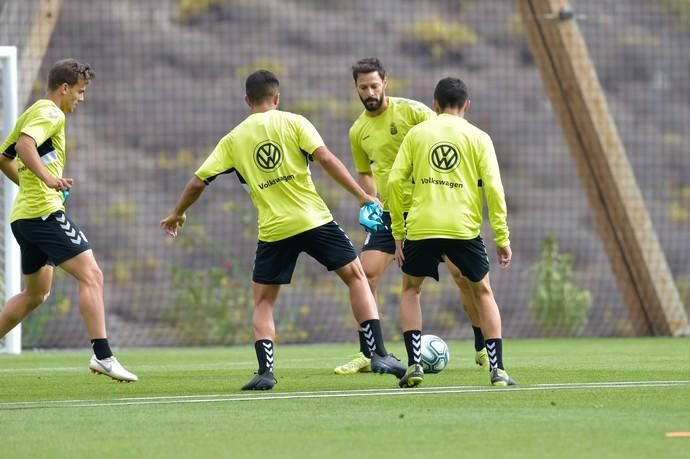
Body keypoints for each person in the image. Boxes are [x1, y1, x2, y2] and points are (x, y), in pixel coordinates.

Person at [160, 69, 406, 390]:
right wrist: (362, 195)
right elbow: (327, 159)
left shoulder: (233, 139)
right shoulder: (295, 122)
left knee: (263, 302)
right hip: (314, 220)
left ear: (247, 100)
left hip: (274, 230)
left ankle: (266, 371)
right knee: (357, 278)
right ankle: (379, 354)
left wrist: (177, 213)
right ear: (277, 97)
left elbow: (198, 181)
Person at [334, 58, 489, 375]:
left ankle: (481, 347)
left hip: (429, 209)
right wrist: (371, 201)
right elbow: (366, 172)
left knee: (464, 279)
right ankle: (371, 353)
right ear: (356, 89)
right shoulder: (357, 131)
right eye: (363, 87)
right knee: (364, 275)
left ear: (385, 82)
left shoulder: (415, 112)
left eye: (374, 85)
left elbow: (444, 140)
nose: (369, 91)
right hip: (392, 214)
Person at [0, 59, 137, 382]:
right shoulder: (50, 112)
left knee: (36, 294)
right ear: (64, 89)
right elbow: (23, 146)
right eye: (80, 91)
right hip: (44, 214)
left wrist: (33, 184)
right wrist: (47, 180)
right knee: (92, 275)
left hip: (25, 217)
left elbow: (4, 158)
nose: (81, 98)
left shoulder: (33, 111)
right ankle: (103, 356)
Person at [388, 76, 516, 388]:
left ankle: (414, 365)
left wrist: (398, 230)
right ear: (466, 105)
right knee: (483, 292)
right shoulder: (478, 137)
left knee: (410, 290)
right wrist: (502, 237)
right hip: (463, 229)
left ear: (434, 105)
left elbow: (394, 181)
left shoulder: (418, 133)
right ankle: (497, 370)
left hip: (422, 225)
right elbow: (495, 190)